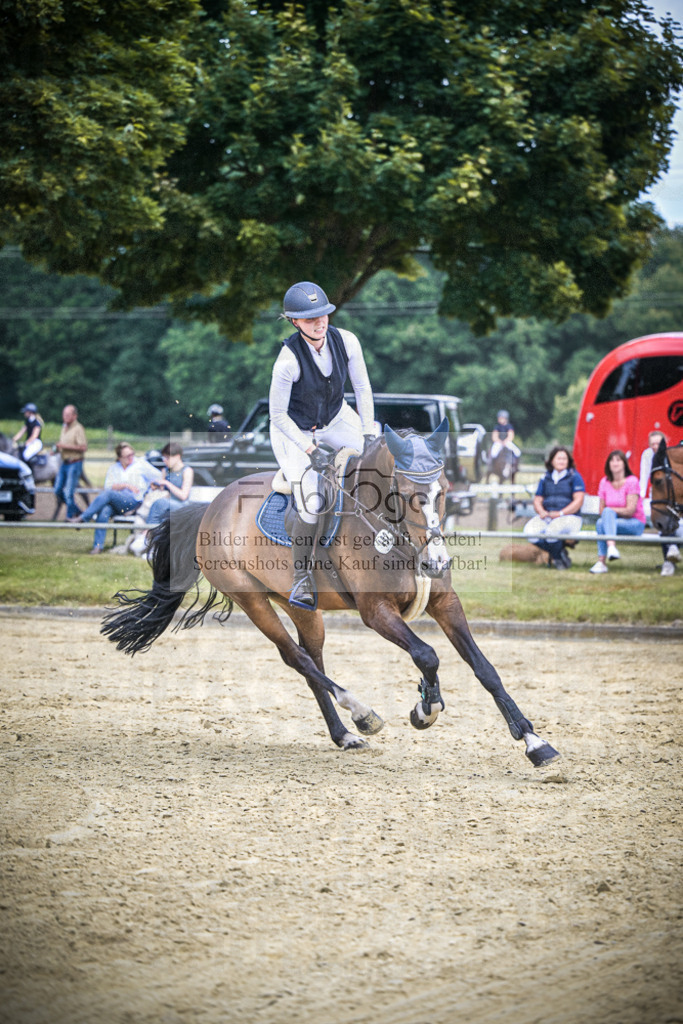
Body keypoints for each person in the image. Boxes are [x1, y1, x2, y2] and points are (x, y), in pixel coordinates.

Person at [269, 280, 375, 608]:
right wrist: (310, 450)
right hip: (293, 431)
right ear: (294, 322)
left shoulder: (347, 341)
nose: (320, 322)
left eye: (324, 314)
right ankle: (301, 577)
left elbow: (362, 387)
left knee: (379, 462)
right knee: (312, 501)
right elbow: (277, 416)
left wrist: (370, 433)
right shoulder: (287, 361)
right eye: (311, 318)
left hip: (337, 419)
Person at [71, 442, 162, 554]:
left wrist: (152, 485)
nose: (131, 457)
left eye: (132, 454)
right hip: (117, 502)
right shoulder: (114, 468)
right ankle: (98, 547)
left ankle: (84, 517)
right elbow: (108, 486)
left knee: (108, 494)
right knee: (104, 511)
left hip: (133, 501)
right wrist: (125, 485)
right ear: (120, 458)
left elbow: (158, 475)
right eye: (127, 456)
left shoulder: (140, 464)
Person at [523, 446, 585, 569]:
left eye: (564, 459)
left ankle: (557, 560)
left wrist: (561, 513)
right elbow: (538, 499)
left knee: (552, 531)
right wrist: (541, 511)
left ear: (568, 461)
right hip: (548, 515)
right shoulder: (546, 477)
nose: (561, 461)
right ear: (552, 461)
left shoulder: (575, 477)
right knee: (529, 532)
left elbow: (579, 501)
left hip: (569, 517)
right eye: (558, 458)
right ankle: (559, 553)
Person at [129, 442, 194, 556]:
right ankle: (154, 549)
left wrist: (167, 484)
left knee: (161, 503)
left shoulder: (187, 471)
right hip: (167, 505)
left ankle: (146, 534)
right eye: (164, 457)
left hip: (181, 505)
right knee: (161, 512)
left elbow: (183, 495)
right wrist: (158, 486)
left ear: (177, 456)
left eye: (168, 457)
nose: (165, 460)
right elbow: (164, 491)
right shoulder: (166, 471)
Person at [589, 450, 646, 574]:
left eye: (618, 460)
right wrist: (609, 513)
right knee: (600, 523)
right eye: (612, 460)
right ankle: (604, 558)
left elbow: (630, 511)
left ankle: (608, 552)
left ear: (624, 463)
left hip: (634, 523)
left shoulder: (632, 481)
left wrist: (611, 511)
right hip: (614, 524)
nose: (615, 463)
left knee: (605, 517)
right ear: (608, 464)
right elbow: (601, 510)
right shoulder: (604, 482)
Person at [639, 430, 681, 577]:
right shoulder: (647, 455)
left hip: (672, 499)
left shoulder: (673, 457)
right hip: (659, 498)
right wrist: (641, 499)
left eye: (658, 443)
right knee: (665, 519)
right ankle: (670, 556)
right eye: (653, 444)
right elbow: (644, 478)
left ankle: (670, 557)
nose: (655, 446)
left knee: (671, 521)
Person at [53, 404, 88, 520]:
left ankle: (70, 517)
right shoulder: (64, 427)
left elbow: (83, 447)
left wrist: (64, 446)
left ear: (74, 416)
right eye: (64, 414)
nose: (65, 417)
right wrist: (58, 449)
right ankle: (79, 512)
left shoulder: (78, 428)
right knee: (57, 490)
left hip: (75, 463)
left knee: (69, 492)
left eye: (68, 415)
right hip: (64, 463)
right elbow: (63, 444)